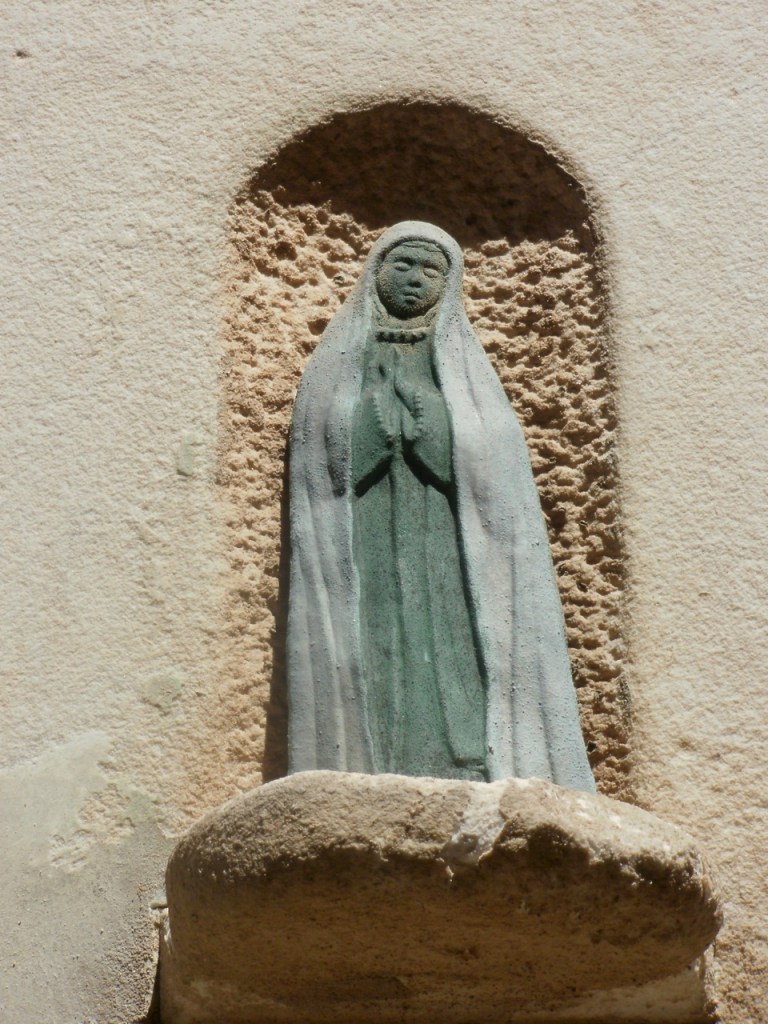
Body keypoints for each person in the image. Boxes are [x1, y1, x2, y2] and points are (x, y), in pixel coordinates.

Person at [287, 221, 595, 792]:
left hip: (452, 544)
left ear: (448, 286)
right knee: (376, 654)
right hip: (366, 540)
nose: (413, 280)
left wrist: (434, 425)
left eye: (430, 271)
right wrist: (368, 428)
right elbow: (321, 462)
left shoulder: (463, 367)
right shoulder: (338, 364)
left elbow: (492, 462)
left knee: (455, 657)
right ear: (376, 272)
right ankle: (369, 763)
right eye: (401, 265)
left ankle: (470, 763)